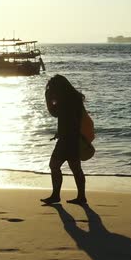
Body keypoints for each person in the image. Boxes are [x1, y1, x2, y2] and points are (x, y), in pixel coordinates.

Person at [41, 75, 88, 205]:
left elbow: (55, 113)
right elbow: (71, 120)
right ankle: (81, 196)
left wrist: (48, 99)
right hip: (73, 138)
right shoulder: (75, 98)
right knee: (75, 168)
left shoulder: (65, 100)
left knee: (54, 165)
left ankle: (56, 195)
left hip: (67, 140)